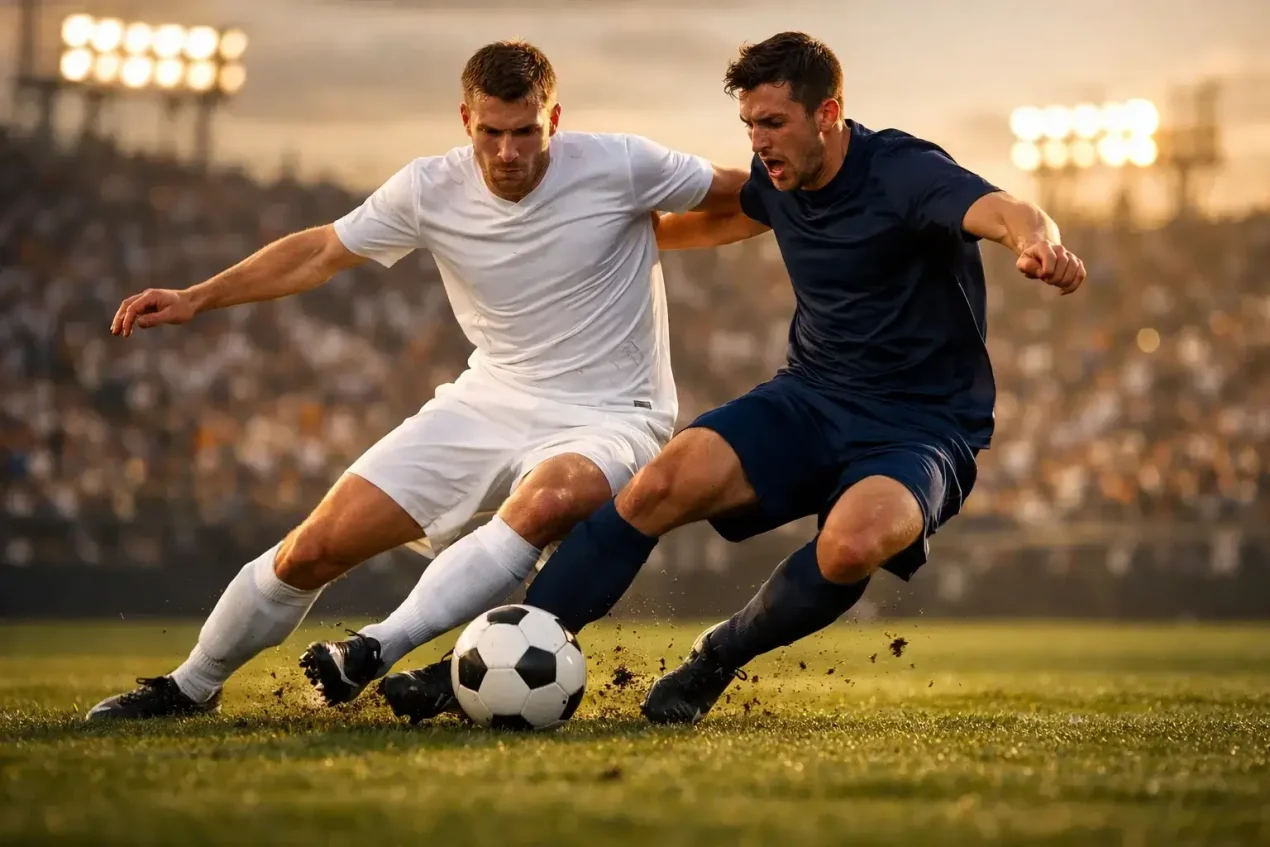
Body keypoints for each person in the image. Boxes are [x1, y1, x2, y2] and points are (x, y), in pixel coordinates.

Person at [380, 31, 1085, 725]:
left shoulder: (902, 169)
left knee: (851, 546)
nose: (759, 141)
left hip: (920, 427)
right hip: (809, 397)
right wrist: (587, 235)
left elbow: (1003, 210)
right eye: (749, 124)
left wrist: (1039, 243)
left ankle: (716, 657)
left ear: (828, 114)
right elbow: (688, 227)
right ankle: (470, 669)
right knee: (657, 482)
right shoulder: (774, 180)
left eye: (773, 122)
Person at [87, 39, 741, 721]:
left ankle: (374, 646)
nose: (509, 152)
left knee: (550, 501)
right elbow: (319, 252)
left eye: (525, 132)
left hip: (612, 412)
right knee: (312, 548)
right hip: (487, 398)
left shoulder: (622, 163)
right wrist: (199, 296)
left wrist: (667, 233)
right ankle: (190, 685)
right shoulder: (429, 187)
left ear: (554, 119)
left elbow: (752, 197)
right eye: (492, 132)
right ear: (466, 121)